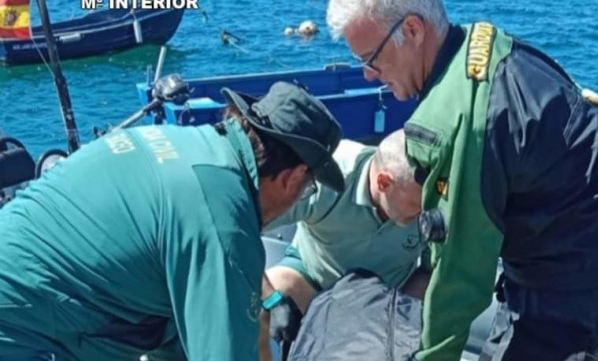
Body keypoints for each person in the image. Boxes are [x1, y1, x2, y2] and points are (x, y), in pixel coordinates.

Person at [326, 0, 598, 361]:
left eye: (370, 59)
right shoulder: (486, 44)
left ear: (413, 30)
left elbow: (460, 276)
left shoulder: (451, 122)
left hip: (579, 282)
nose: (368, 74)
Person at [0, 81, 344, 361]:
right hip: (25, 331)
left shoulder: (195, 147)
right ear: (293, 177)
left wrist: (269, 300)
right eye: (307, 187)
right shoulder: (221, 220)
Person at [258, 130, 429, 355]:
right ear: (384, 182)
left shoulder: (432, 204)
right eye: (415, 205)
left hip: (386, 298)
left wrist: (402, 316)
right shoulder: (327, 179)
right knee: (257, 308)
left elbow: (432, 270)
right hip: (312, 280)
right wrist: (271, 298)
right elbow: (241, 229)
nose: (422, 214)